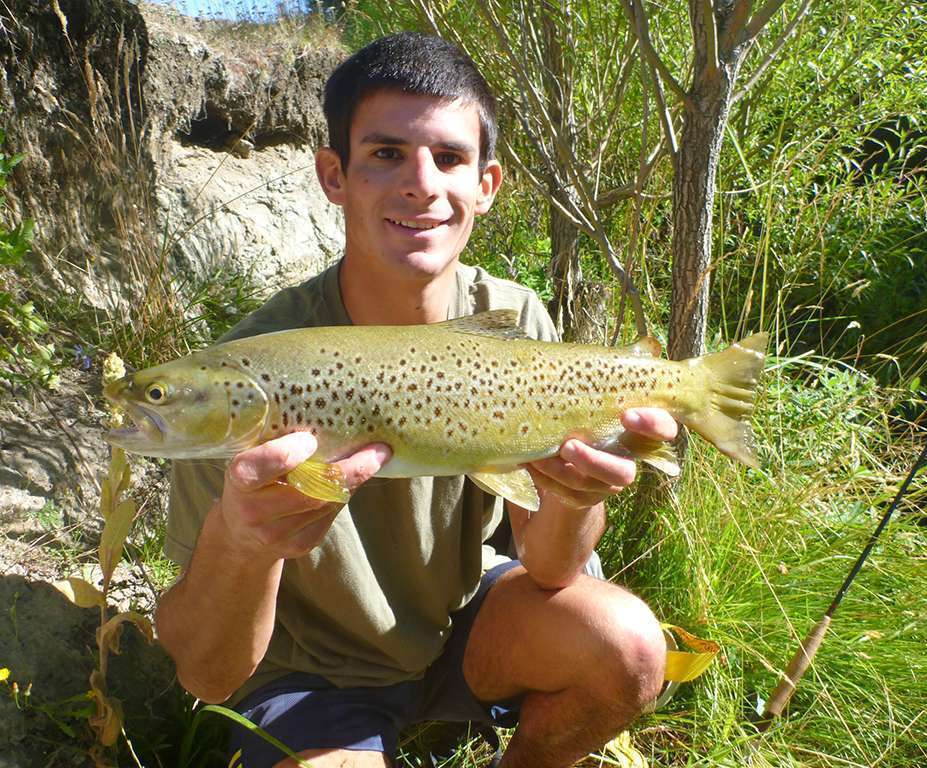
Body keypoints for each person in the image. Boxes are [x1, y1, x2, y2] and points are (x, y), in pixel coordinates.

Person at [155, 32, 677, 768]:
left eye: (450, 158)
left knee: (628, 649)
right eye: (386, 154)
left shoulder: (517, 320)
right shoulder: (246, 378)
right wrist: (245, 541)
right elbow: (207, 674)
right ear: (333, 175)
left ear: (486, 185)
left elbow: (553, 569)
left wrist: (571, 496)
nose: (422, 183)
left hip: (463, 625)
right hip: (309, 676)